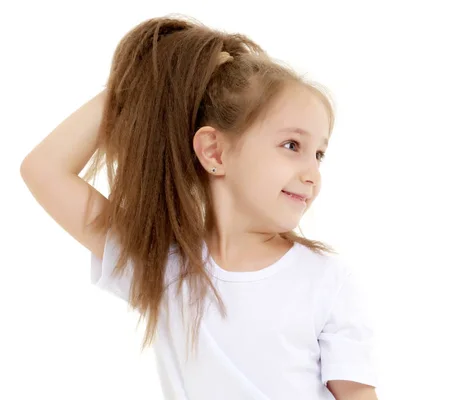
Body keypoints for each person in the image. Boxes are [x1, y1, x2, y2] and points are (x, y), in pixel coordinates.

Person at [20, 14, 378, 400]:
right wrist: (141, 79)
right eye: (292, 146)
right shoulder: (164, 267)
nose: (312, 174)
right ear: (214, 151)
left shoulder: (326, 280)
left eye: (319, 154)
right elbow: (44, 170)